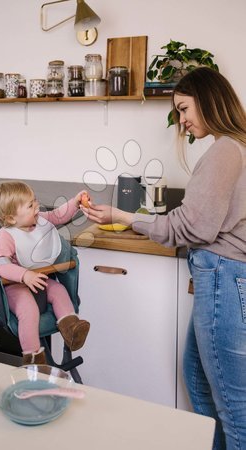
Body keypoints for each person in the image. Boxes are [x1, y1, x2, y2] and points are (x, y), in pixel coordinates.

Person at [81, 67, 246, 450]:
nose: (182, 122)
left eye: (185, 109)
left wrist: (124, 217)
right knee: (199, 378)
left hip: (223, 279)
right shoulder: (237, 146)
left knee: (235, 411)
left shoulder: (225, 150)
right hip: (225, 279)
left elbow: (192, 228)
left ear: (208, 99)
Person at [0, 180, 90, 365]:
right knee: (29, 310)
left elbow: (58, 216)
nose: (37, 206)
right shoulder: (7, 235)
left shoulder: (40, 220)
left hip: (39, 278)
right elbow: (0, 265)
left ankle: (71, 328)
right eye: (30, 205)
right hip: (15, 286)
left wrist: (75, 203)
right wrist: (25, 275)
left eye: (34, 201)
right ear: (11, 218)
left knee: (59, 290)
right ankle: (34, 358)